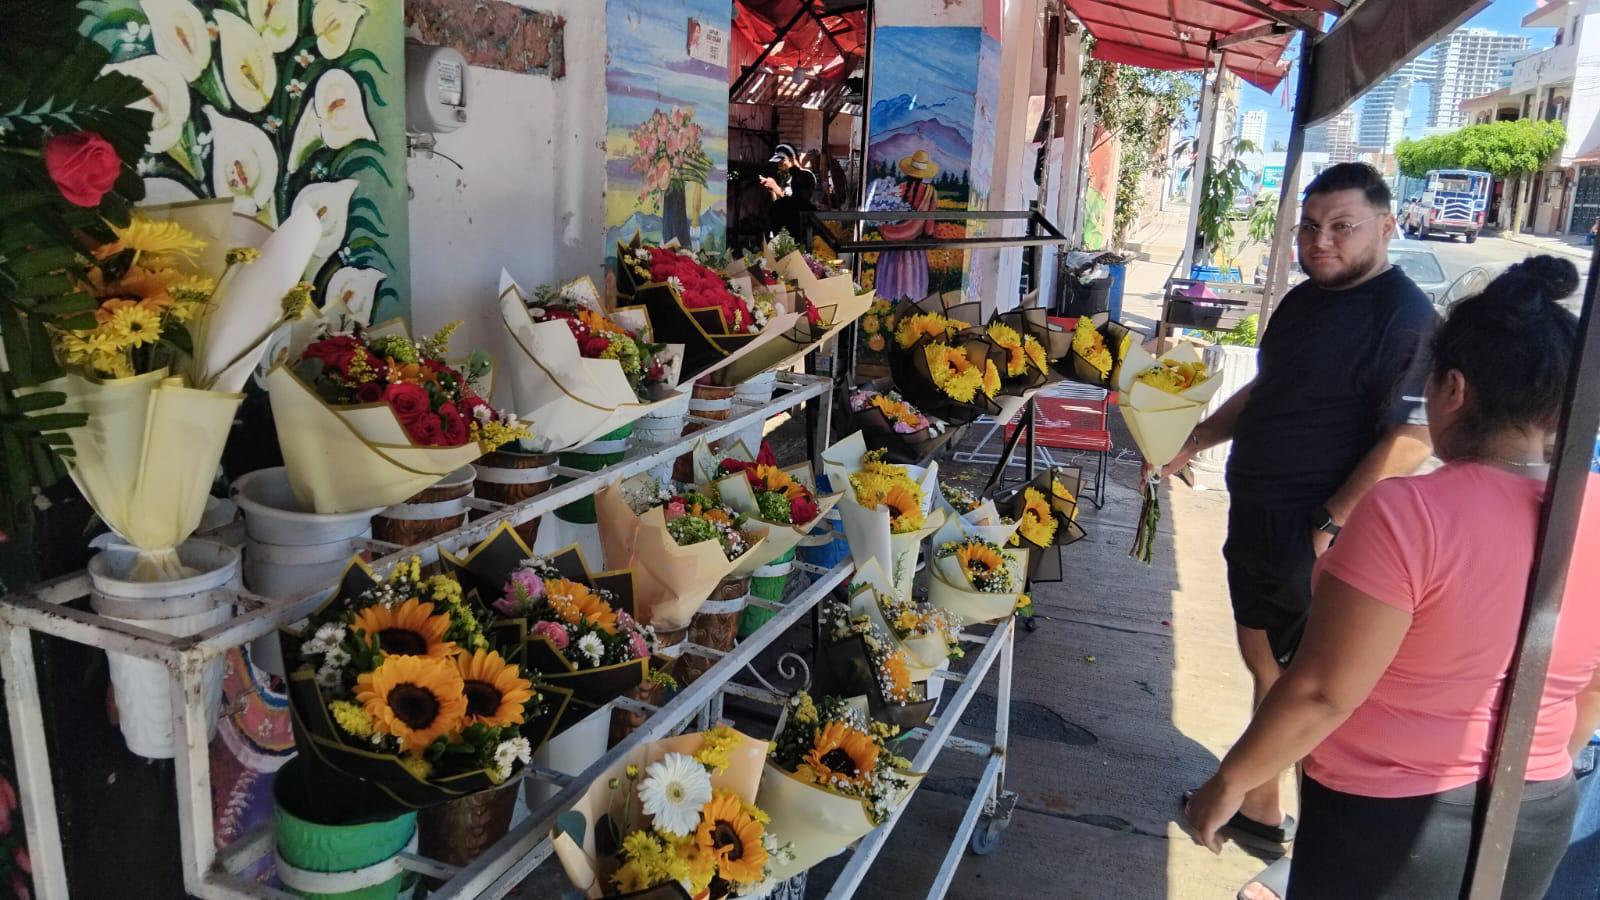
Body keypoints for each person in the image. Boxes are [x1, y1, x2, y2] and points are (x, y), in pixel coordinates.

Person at [1186, 255, 1600, 898]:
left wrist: (1232, 779)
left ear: (1454, 389)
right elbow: (1591, 695)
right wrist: (1538, 771)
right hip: (1538, 809)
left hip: (1389, 818)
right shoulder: (1594, 508)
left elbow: (1325, 690)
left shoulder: (1411, 511)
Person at [1159, 163, 1438, 880]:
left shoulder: (1402, 317)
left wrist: (1330, 525)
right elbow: (1267, 389)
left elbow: (1413, 439)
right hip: (1258, 514)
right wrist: (1194, 439)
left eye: (1342, 227)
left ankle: (1323, 858)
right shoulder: (1305, 302)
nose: (1321, 242)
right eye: (1310, 228)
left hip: (1316, 534)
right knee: (1265, 667)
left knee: (1314, 695)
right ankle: (1259, 809)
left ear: (1387, 226)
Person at [873, 149, 941, 301]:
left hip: (891, 249)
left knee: (889, 282)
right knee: (912, 286)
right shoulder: (930, 193)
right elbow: (929, 228)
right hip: (913, 251)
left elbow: (885, 217)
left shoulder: (898, 188)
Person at [759, 143, 815, 241]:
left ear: (792, 158)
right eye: (778, 162)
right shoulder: (784, 178)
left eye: (782, 161)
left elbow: (799, 202)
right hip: (783, 231)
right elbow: (778, 205)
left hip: (801, 230)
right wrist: (773, 191)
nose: (780, 164)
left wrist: (776, 188)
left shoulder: (806, 175)